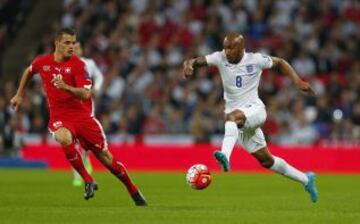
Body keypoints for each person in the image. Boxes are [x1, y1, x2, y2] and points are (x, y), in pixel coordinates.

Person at [10, 28, 147, 206]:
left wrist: (66, 87)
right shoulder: (42, 62)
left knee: (108, 161)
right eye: (67, 42)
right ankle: (88, 179)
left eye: (73, 43)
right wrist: (19, 94)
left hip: (82, 117)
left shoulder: (78, 66)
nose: (71, 46)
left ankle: (133, 190)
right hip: (60, 116)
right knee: (63, 137)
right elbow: (28, 71)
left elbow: (85, 94)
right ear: (57, 43)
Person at [183, 33, 318, 203]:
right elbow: (193, 60)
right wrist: (189, 67)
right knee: (266, 161)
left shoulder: (256, 60)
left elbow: (280, 62)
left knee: (230, 118)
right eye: (225, 47)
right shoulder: (219, 57)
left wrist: (298, 82)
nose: (227, 51)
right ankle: (307, 180)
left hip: (255, 111)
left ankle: (225, 156)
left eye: (231, 48)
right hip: (241, 124)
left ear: (241, 48)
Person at [71, 42, 104, 187]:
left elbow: (100, 76)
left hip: (87, 106)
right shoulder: (65, 65)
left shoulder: (89, 63)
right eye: (73, 48)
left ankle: (84, 161)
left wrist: (96, 88)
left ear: (82, 49)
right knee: (73, 139)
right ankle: (78, 174)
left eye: (78, 47)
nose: (76, 50)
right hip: (70, 106)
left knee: (84, 139)